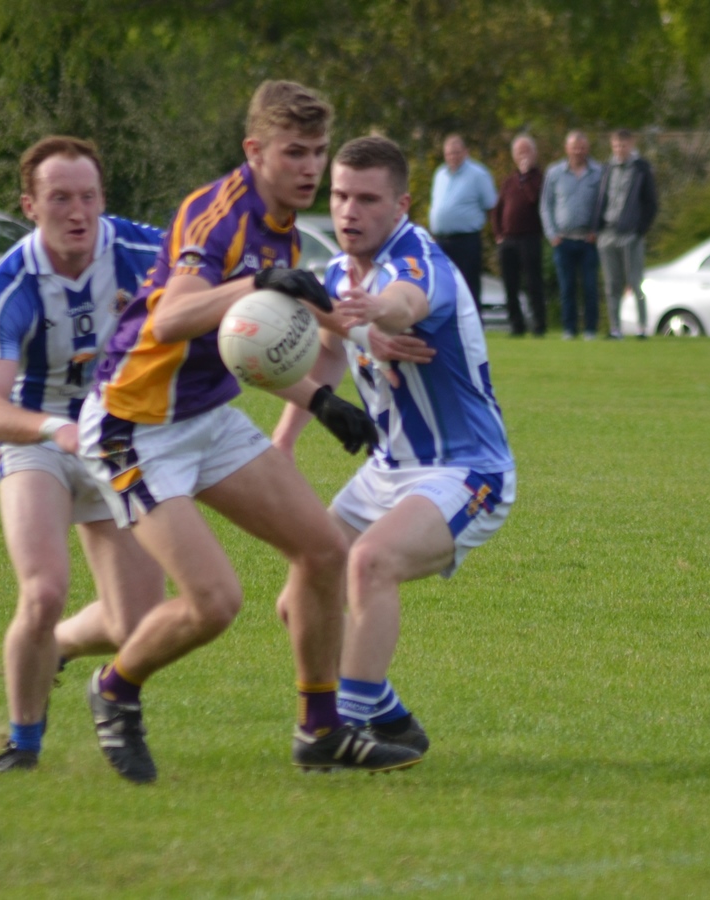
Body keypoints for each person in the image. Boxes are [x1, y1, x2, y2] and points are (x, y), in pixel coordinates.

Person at [75, 80, 422, 782]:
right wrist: (262, 281)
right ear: (254, 150)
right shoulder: (217, 215)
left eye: (318, 153)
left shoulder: (282, 226)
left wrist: (321, 400)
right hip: (132, 426)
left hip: (205, 415)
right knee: (214, 602)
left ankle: (320, 732)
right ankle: (114, 689)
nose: (310, 169)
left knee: (323, 551)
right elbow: (174, 320)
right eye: (294, 152)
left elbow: (243, 342)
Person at [273, 135, 515, 753]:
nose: (350, 211)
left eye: (368, 199)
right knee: (301, 599)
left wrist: (376, 312)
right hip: (386, 470)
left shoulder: (419, 260)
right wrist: (284, 444)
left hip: (466, 472)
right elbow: (327, 354)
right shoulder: (335, 273)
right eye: (341, 196)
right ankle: (387, 717)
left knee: (369, 562)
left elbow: (407, 301)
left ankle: (340, 729)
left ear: (403, 203)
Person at [0, 135, 167, 773]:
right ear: (30, 204)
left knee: (138, 626)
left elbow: (214, 286)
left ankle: (52, 649)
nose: (76, 211)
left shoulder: (140, 250)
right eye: (59, 198)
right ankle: (23, 744)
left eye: (88, 196)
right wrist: (55, 431)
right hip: (40, 442)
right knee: (45, 589)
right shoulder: (11, 283)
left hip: (116, 440)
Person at [594, 128, 658, 340]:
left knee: (635, 281)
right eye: (616, 145)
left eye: (623, 145)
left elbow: (651, 203)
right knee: (612, 284)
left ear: (631, 144)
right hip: (608, 234)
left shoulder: (641, 169)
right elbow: (599, 199)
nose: (620, 149)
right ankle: (615, 329)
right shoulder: (606, 169)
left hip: (630, 234)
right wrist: (598, 228)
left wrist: (640, 230)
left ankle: (641, 328)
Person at [540, 131, 602, 339]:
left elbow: (604, 205)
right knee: (566, 289)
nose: (578, 150)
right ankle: (569, 329)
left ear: (588, 148)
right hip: (563, 240)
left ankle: (591, 329)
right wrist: (552, 234)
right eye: (574, 146)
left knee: (590, 287)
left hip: (588, 240)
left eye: (582, 146)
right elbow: (546, 205)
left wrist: (597, 231)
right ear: (567, 148)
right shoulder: (555, 172)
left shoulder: (598, 172)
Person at [429, 134, 497, 312]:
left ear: (466, 152)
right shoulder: (440, 174)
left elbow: (490, 205)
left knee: (468, 285)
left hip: (466, 240)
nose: (453, 156)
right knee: (443, 285)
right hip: (442, 240)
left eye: (457, 152)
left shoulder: (478, 174)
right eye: (449, 153)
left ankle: (473, 329)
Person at [492, 134, 546, 337]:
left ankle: (539, 325)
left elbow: (535, 199)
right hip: (508, 240)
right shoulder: (509, 181)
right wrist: (498, 234)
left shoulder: (539, 178)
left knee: (533, 284)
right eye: (519, 152)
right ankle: (516, 325)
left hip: (530, 238)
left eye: (526, 151)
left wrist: (526, 177)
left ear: (534, 154)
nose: (522, 156)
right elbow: (497, 209)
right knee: (510, 285)